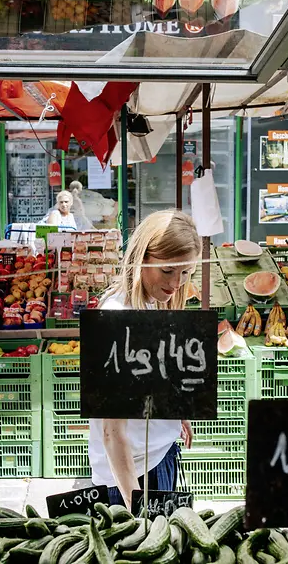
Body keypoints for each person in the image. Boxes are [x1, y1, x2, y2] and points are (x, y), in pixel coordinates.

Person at [88, 210, 202, 510]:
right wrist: (135, 503)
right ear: (142, 258)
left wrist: (175, 412)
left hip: (160, 453)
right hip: (132, 474)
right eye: (167, 271)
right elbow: (112, 434)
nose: (177, 283)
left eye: (186, 272)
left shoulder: (152, 303)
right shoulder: (116, 318)